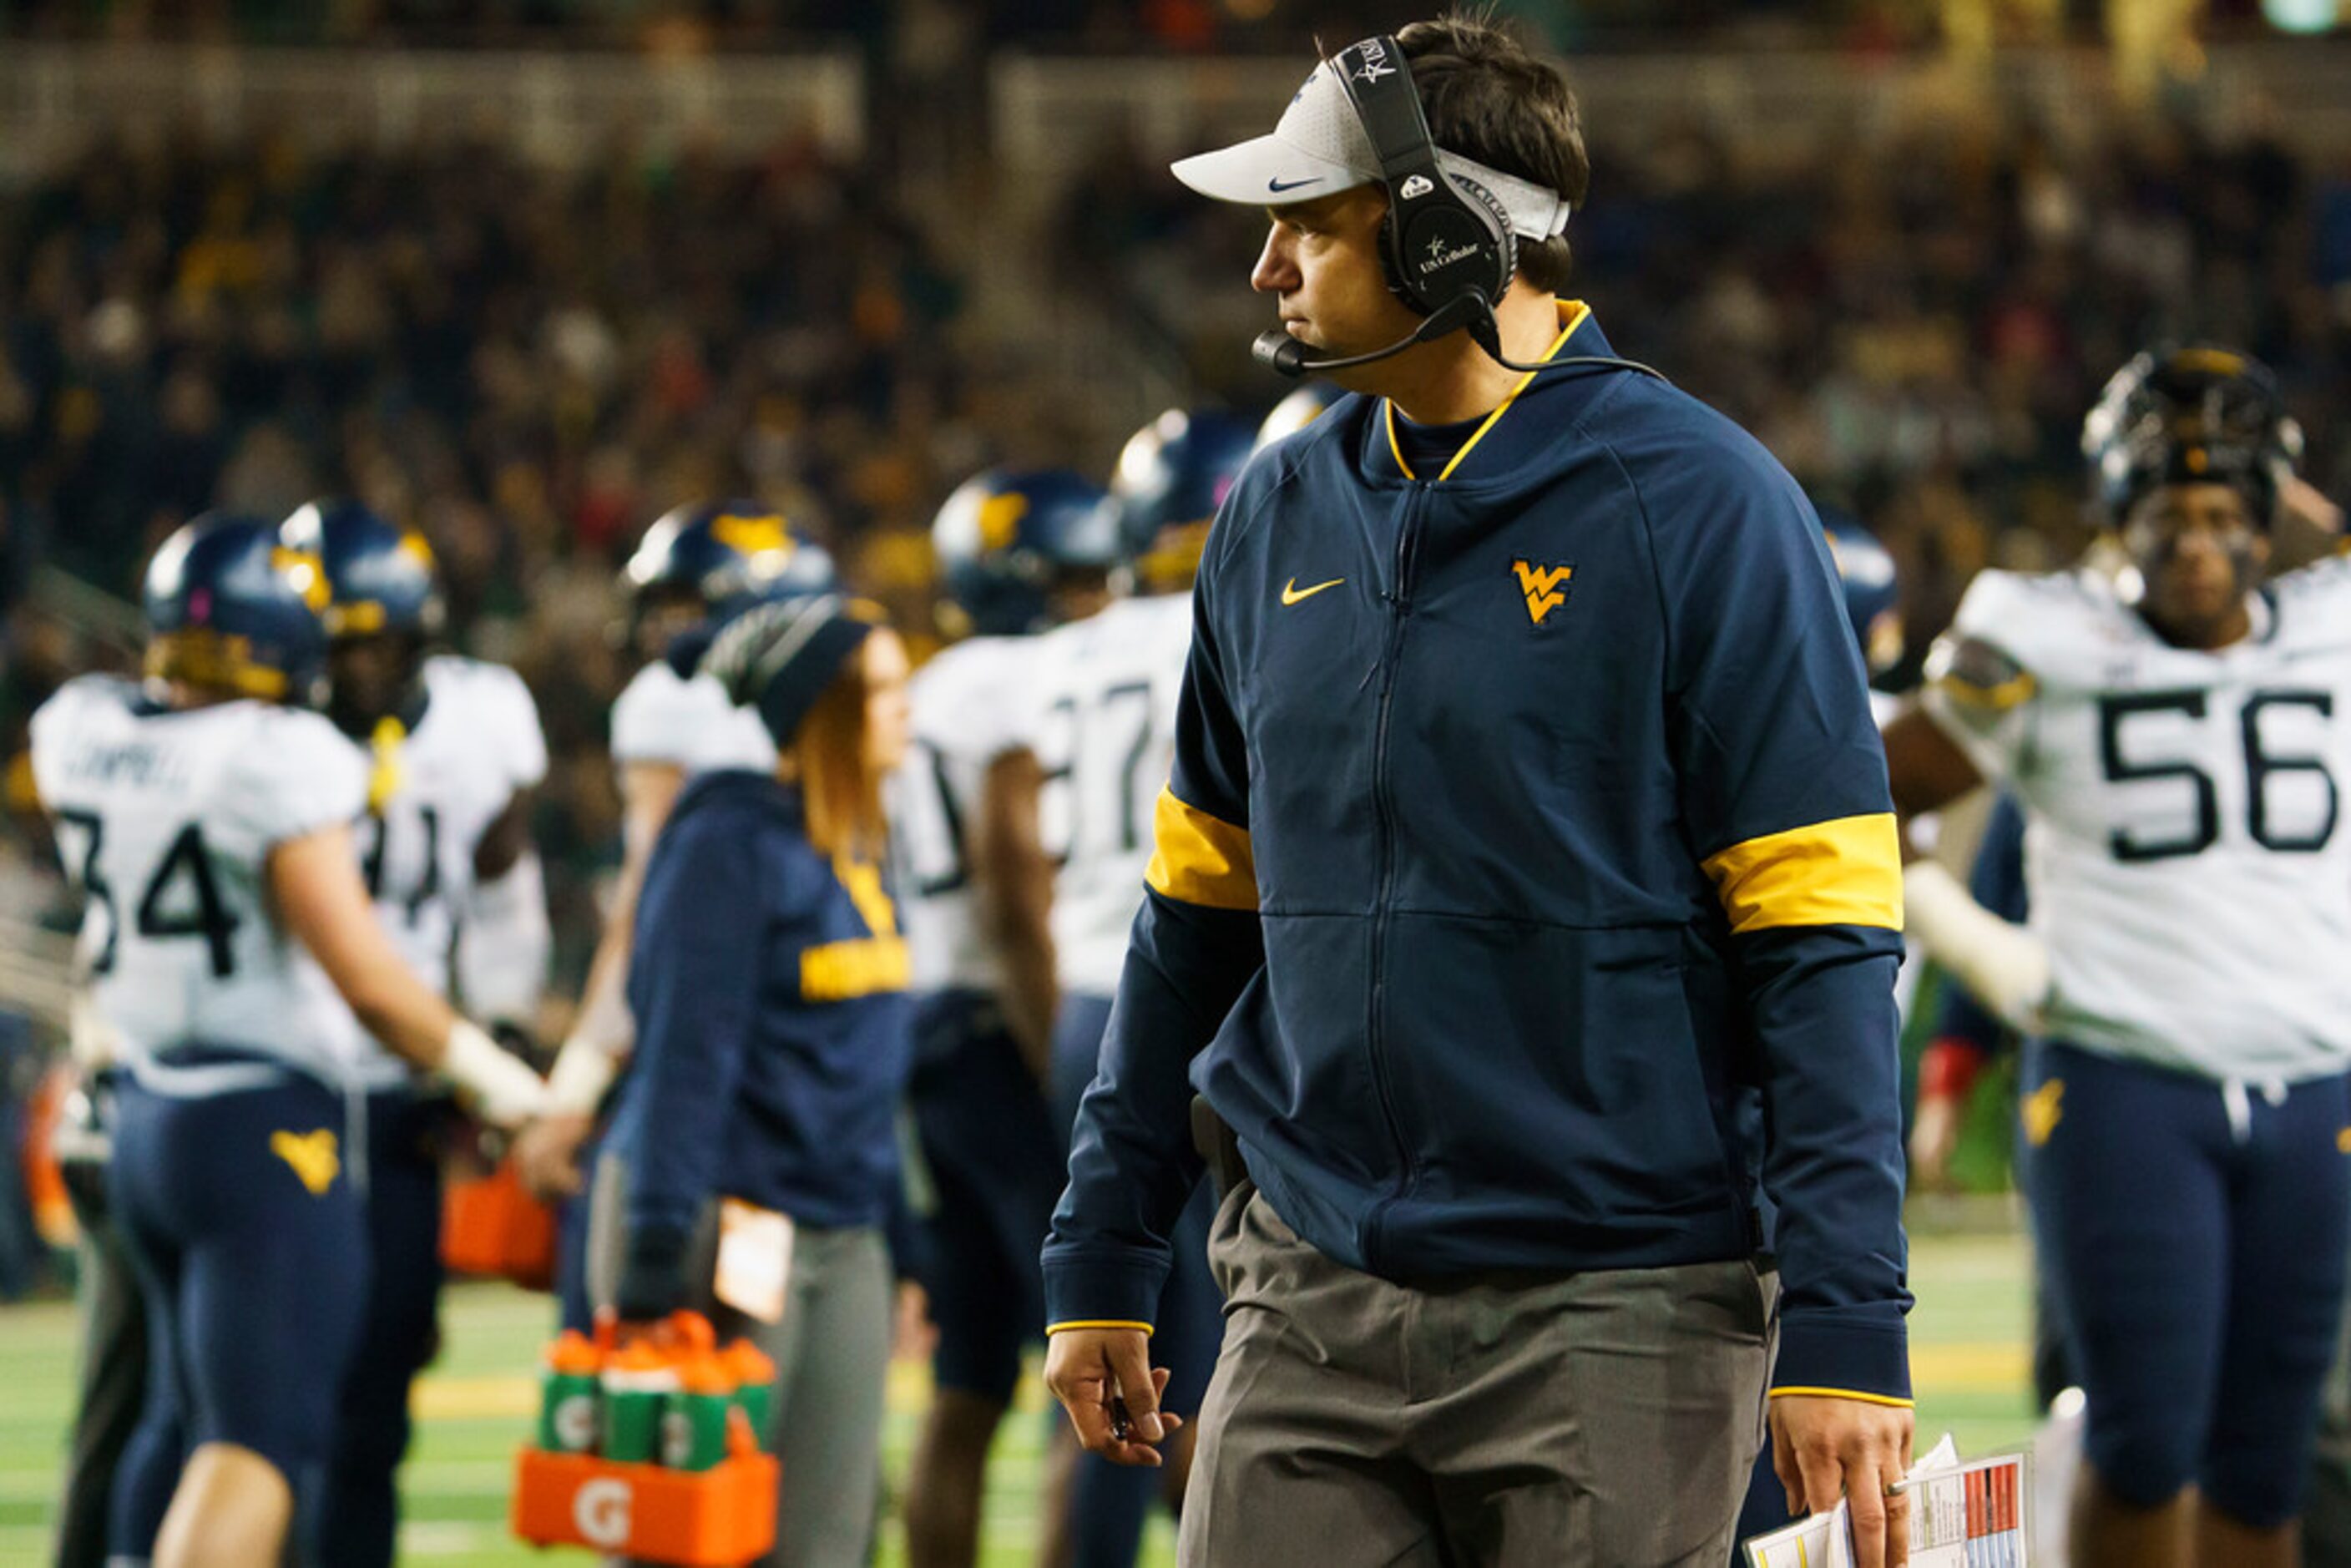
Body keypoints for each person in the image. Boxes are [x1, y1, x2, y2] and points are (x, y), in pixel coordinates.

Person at [1041, 19, 1914, 1568]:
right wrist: (1103, 1238)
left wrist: (1848, 1321)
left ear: (1447, 233)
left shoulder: (1703, 507)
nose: (1265, 269)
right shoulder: (1276, 513)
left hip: (1621, 1305)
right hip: (1307, 1289)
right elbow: (1192, 923)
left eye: (1305, 220)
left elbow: (1824, 945)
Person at [1883, 346, 2349, 1568]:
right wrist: (1963, 946)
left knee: (2267, 1461)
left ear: (2266, 517)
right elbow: (1881, 785)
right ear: (2114, 519)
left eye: (2222, 512)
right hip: (2124, 1083)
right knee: (2141, 1439)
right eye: (2163, 512)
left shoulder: (2333, 623)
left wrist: (2300, 509)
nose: (2194, 542)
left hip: (2316, 1089)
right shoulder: (2041, 635)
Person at [30, 514, 546, 1568]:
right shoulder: (277, 756)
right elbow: (370, 986)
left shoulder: (85, 726)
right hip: (262, 1119)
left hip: (154, 1099)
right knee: (257, 1442)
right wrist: (512, 1087)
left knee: (178, 1421)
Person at [588, 591, 915, 1568]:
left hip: (842, 1232)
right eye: (883, 689)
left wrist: (907, 1239)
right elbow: (685, 1059)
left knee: (829, 1545)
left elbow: (866, 1068)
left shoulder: (852, 838)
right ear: (819, 706)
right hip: (712, 1225)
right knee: (686, 1545)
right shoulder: (725, 844)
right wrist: (653, 1259)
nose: (907, 708)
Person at [281, 499, 551, 1567]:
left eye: (373, 642)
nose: (352, 669)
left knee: (382, 1382)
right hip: (287, 1073)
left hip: (404, 1083)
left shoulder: (481, 720)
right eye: (332, 644)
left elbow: (500, 894)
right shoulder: (267, 736)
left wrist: (497, 1030)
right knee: (270, 1387)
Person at [513, 501, 833, 1323]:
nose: (668, 639)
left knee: (650, 1363)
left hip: (713, 1086)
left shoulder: (677, 704)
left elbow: (642, 923)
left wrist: (574, 1092)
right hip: (813, 1085)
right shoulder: (848, 714)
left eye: (690, 610)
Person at [1029, 407, 1254, 1568]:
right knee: (1211, 1355)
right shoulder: (1250, 612)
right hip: (1191, 986)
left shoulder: (1069, 649)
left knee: (1102, 1335)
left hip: (1079, 999)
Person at [893, 468, 1121, 1568]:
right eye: (1078, 577)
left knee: (966, 1376)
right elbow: (1015, 874)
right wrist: (1059, 1065)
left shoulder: (930, 681)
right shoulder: (1033, 676)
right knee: (1097, 1345)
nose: (1094, 599)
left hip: (923, 1025)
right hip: (1003, 1027)